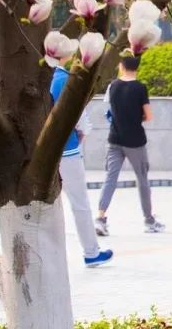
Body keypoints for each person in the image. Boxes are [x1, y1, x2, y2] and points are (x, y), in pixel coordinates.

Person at [49, 67, 114, 267]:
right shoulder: (66, 80)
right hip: (67, 150)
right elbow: (79, 118)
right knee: (80, 204)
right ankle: (91, 252)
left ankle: (51, 253)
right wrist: (82, 134)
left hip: (43, 152)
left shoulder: (39, 77)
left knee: (48, 206)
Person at [96, 55, 165, 236]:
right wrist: (137, 117)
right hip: (135, 141)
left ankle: (101, 218)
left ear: (121, 66)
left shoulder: (113, 86)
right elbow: (148, 116)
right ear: (137, 68)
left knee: (110, 178)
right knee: (142, 179)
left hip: (115, 139)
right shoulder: (140, 88)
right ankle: (149, 220)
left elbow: (110, 112)